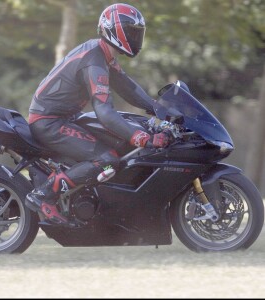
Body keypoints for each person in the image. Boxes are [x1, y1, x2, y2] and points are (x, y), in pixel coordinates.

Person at [25, 3, 175, 227]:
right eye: (132, 31)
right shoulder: (94, 60)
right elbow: (105, 112)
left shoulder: (103, 54)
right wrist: (142, 138)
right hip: (49, 123)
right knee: (107, 161)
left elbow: (128, 88)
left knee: (122, 140)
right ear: (113, 30)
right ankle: (44, 194)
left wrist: (158, 108)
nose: (136, 37)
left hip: (63, 118)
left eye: (138, 32)